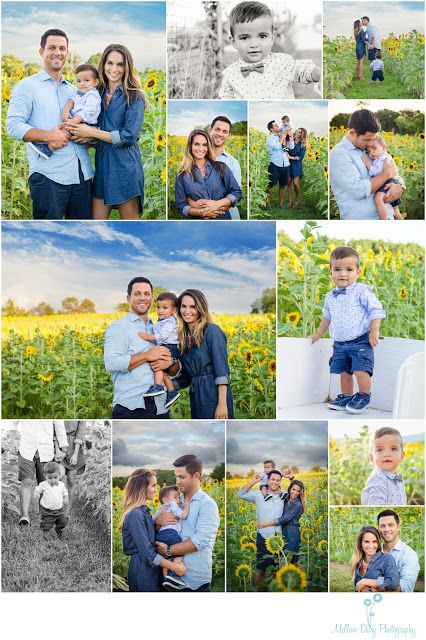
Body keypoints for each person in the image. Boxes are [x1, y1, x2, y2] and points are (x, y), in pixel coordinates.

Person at [6, 29, 93, 219]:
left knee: (83, 236)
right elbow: (13, 125)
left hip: (82, 175)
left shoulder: (74, 90)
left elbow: (88, 122)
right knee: (49, 237)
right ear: (41, 51)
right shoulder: (27, 86)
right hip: (48, 176)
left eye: (62, 48)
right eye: (52, 47)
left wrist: (88, 136)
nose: (57, 52)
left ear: (67, 53)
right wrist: (49, 136)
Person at [69, 44, 145, 220]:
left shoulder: (134, 96)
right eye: (110, 63)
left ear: (127, 67)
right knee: (96, 225)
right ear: (103, 64)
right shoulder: (96, 94)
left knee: (130, 227)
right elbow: (95, 128)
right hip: (102, 169)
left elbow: (129, 136)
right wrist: (86, 137)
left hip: (125, 169)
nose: (114, 69)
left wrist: (92, 132)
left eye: (120, 64)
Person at [310, 246, 386, 414]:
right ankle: (346, 395)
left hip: (360, 340)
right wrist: (318, 333)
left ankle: (364, 395)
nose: (343, 274)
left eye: (349, 269)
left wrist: (374, 330)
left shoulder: (361, 290)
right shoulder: (330, 296)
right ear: (330, 272)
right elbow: (326, 317)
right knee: (344, 372)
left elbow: (376, 309)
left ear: (358, 272)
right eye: (337, 269)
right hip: (339, 343)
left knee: (361, 370)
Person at [104, 277, 176, 419]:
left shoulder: (157, 328)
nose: (142, 298)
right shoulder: (119, 327)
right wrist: (148, 355)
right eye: (137, 294)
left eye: (146, 294)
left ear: (151, 298)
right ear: (128, 298)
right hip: (130, 407)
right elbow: (111, 363)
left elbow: (173, 369)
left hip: (160, 407)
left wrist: (171, 362)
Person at [218, 1, 321, 99]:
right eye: (245, 38)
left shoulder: (283, 62)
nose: (254, 44)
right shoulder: (230, 75)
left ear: (272, 37)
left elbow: (303, 70)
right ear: (233, 41)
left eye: (262, 36)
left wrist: (319, 74)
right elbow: (225, 100)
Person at [154, 455, 220, 592]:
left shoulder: (207, 505)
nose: (177, 481)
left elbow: (199, 542)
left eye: (182, 477)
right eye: (176, 476)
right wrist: (158, 522)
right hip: (168, 578)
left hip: (193, 581)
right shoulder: (174, 501)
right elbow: (160, 531)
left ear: (196, 475)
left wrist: (168, 551)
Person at [168, 289, 234, 419]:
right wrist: (165, 386)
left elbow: (221, 370)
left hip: (214, 394)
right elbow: (187, 377)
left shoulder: (212, 331)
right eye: (184, 306)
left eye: (193, 307)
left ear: (201, 309)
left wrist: (222, 404)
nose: (187, 311)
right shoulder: (183, 338)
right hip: (196, 395)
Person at [329, 109, 404, 220]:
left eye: (373, 139)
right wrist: (387, 174)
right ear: (352, 133)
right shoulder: (339, 154)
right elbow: (357, 190)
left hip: (389, 215)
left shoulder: (370, 149)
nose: (370, 143)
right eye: (367, 139)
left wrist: (400, 186)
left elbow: (393, 171)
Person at [120, 468, 186, 592]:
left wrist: (157, 524)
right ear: (141, 487)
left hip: (152, 567)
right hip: (142, 569)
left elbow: (150, 539)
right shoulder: (136, 514)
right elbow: (147, 553)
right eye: (153, 485)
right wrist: (175, 567)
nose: (156, 489)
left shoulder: (145, 512)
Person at [238, 468, 294, 587]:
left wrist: (292, 478)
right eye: (273, 479)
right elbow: (240, 494)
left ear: (280, 482)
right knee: (261, 570)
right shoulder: (258, 495)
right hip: (263, 536)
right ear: (267, 480)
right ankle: (255, 591)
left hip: (279, 537)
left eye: (278, 480)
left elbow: (299, 492)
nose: (275, 482)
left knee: (277, 568)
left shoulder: (283, 496)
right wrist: (253, 481)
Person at [174, 129, 242, 220]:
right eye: (196, 144)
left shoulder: (221, 167)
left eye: (204, 145)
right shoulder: (182, 174)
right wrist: (202, 212)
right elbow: (180, 205)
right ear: (190, 146)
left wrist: (217, 204)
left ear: (208, 147)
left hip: (223, 221)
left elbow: (237, 192)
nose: (200, 149)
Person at [13, 420, 68, 526]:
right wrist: (12, 440)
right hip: (26, 448)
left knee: (45, 484)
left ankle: (44, 514)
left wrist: (64, 449)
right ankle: (25, 516)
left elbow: (59, 424)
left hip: (46, 449)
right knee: (27, 481)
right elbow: (13, 421)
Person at [137, 292, 181, 409]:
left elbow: (163, 335)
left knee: (156, 364)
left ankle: (158, 386)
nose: (160, 310)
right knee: (164, 373)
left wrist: (147, 337)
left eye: (165, 308)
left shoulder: (170, 322)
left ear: (174, 310)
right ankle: (171, 392)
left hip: (169, 346)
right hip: (167, 346)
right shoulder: (162, 320)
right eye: (158, 307)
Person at [258, 478, 305, 566]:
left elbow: (283, 519)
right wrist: (291, 478)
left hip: (292, 533)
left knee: (285, 561)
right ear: (290, 488)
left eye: (298, 491)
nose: (295, 493)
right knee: (295, 562)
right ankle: (305, 579)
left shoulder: (297, 505)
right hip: (283, 531)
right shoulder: (287, 498)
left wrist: (265, 524)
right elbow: (278, 489)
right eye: (293, 489)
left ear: (300, 492)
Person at [152, 485, 189, 590]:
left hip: (161, 535)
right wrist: (185, 507)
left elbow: (154, 519)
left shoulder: (161, 508)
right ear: (165, 499)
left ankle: (166, 580)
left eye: (179, 497)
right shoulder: (172, 504)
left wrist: (157, 522)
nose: (178, 500)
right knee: (179, 552)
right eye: (175, 497)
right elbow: (182, 515)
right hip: (171, 534)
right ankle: (174, 576)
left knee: (166, 559)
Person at [377, 509, 420, 592]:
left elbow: (405, 587)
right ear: (378, 528)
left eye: (390, 525)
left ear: (398, 527)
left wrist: (373, 588)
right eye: (382, 526)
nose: (386, 529)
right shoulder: (374, 551)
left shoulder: (409, 554)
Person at [361, 427, 406, 506]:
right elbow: (377, 508)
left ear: (402, 456)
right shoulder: (377, 479)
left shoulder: (397, 479)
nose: (387, 454)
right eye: (380, 450)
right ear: (371, 458)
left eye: (393, 449)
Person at [362, 135, 403, 220]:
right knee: (396, 211)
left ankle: (383, 220)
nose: (371, 153)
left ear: (384, 147)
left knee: (378, 199)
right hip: (390, 182)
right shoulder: (379, 158)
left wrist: (367, 163)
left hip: (388, 182)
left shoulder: (384, 159)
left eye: (374, 148)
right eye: (368, 151)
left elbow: (381, 173)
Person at [352, 525, 399, 592]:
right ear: (360, 543)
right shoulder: (358, 562)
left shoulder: (387, 559)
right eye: (367, 542)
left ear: (378, 543)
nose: (371, 546)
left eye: (374, 541)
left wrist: (365, 581)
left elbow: (393, 583)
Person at [57, 420, 88, 514]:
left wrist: (75, 454)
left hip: (75, 447)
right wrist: (57, 449)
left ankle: (68, 510)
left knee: (71, 479)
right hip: (59, 444)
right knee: (60, 476)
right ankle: (58, 505)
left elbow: (80, 434)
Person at [33, 461, 69, 540]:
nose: (53, 480)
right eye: (50, 478)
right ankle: (45, 536)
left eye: (55, 477)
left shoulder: (61, 485)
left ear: (59, 475)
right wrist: (36, 493)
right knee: (47, 524)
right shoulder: (43, 484)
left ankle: (59, 530)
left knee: (63, 521)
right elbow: (37, 489)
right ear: (45, 476)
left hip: (60, 510)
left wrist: (66, 499)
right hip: (47, 511)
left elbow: (65, 493)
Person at [266, 120, 294, 211]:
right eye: (276, 126)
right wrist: (282, 136)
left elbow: (291, 147)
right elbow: (277, 147)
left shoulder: (283, 136)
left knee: (283, 185)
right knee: (271, 184)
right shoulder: (270, 138)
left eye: (278, 125)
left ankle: (281, 204)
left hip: (285, 163)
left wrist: (289, 136)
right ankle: (268, 203)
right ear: (271, 129)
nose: (278, 126)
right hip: (275, 164)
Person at [288, 127, 308, 207]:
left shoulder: (303, 144)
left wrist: (290, 157)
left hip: (297, 164)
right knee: (288, 183)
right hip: (288, 163)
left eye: (300, 132)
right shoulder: (290, 139)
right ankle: (290, 201)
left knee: (295, 183)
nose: (297, 133)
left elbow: (300, 156)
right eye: (297, 131)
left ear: (302, 135)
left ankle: (297, 197)